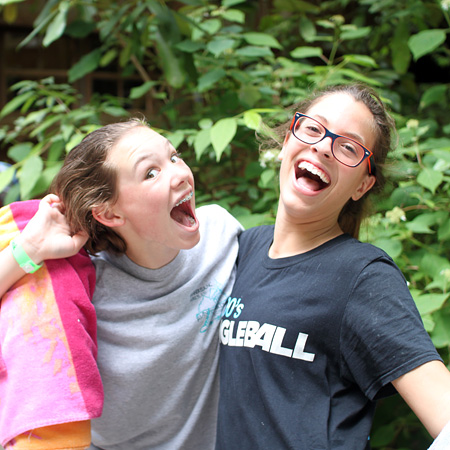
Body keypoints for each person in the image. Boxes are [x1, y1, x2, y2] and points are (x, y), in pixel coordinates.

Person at [216, 83, 450, 449]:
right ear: (286, 140)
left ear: (363, 185)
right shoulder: (240, 248)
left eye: (348, 147)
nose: (324, 146)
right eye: (313, 128)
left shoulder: (362, 276)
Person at [0, 118, 242, 450]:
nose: (181, 173)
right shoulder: (85, 286)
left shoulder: (222, 233)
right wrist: (29, 249)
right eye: (151, 173)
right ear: (110, 215)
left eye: (174, 157)